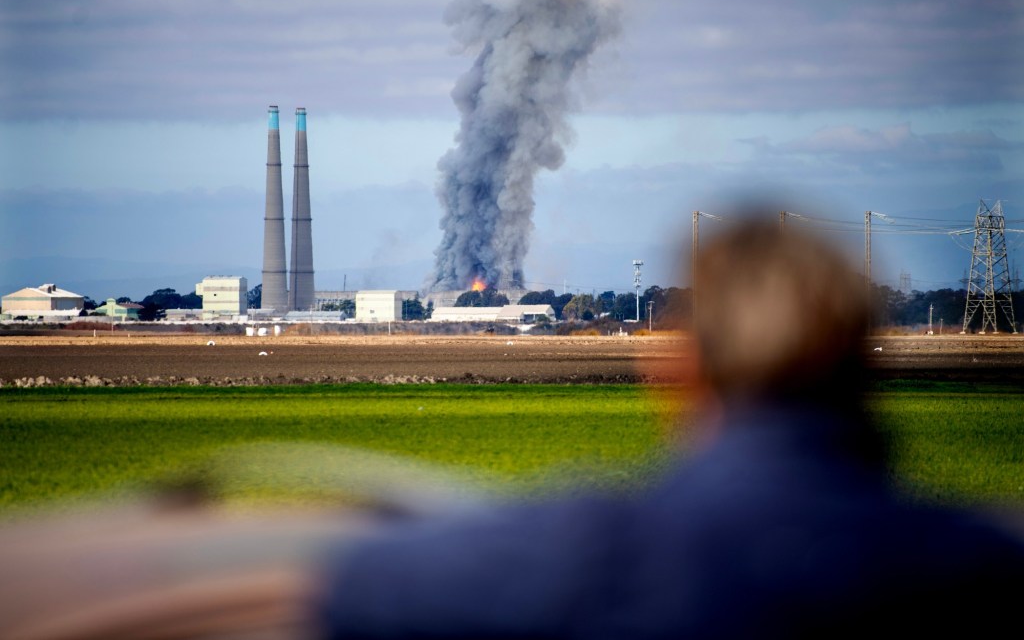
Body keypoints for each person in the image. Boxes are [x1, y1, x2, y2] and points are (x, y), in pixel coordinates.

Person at [314, 219, 1024, 639]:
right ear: (866, 365)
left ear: (679, 369)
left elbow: (363, 582)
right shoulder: (977, 564)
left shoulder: (597, 548)